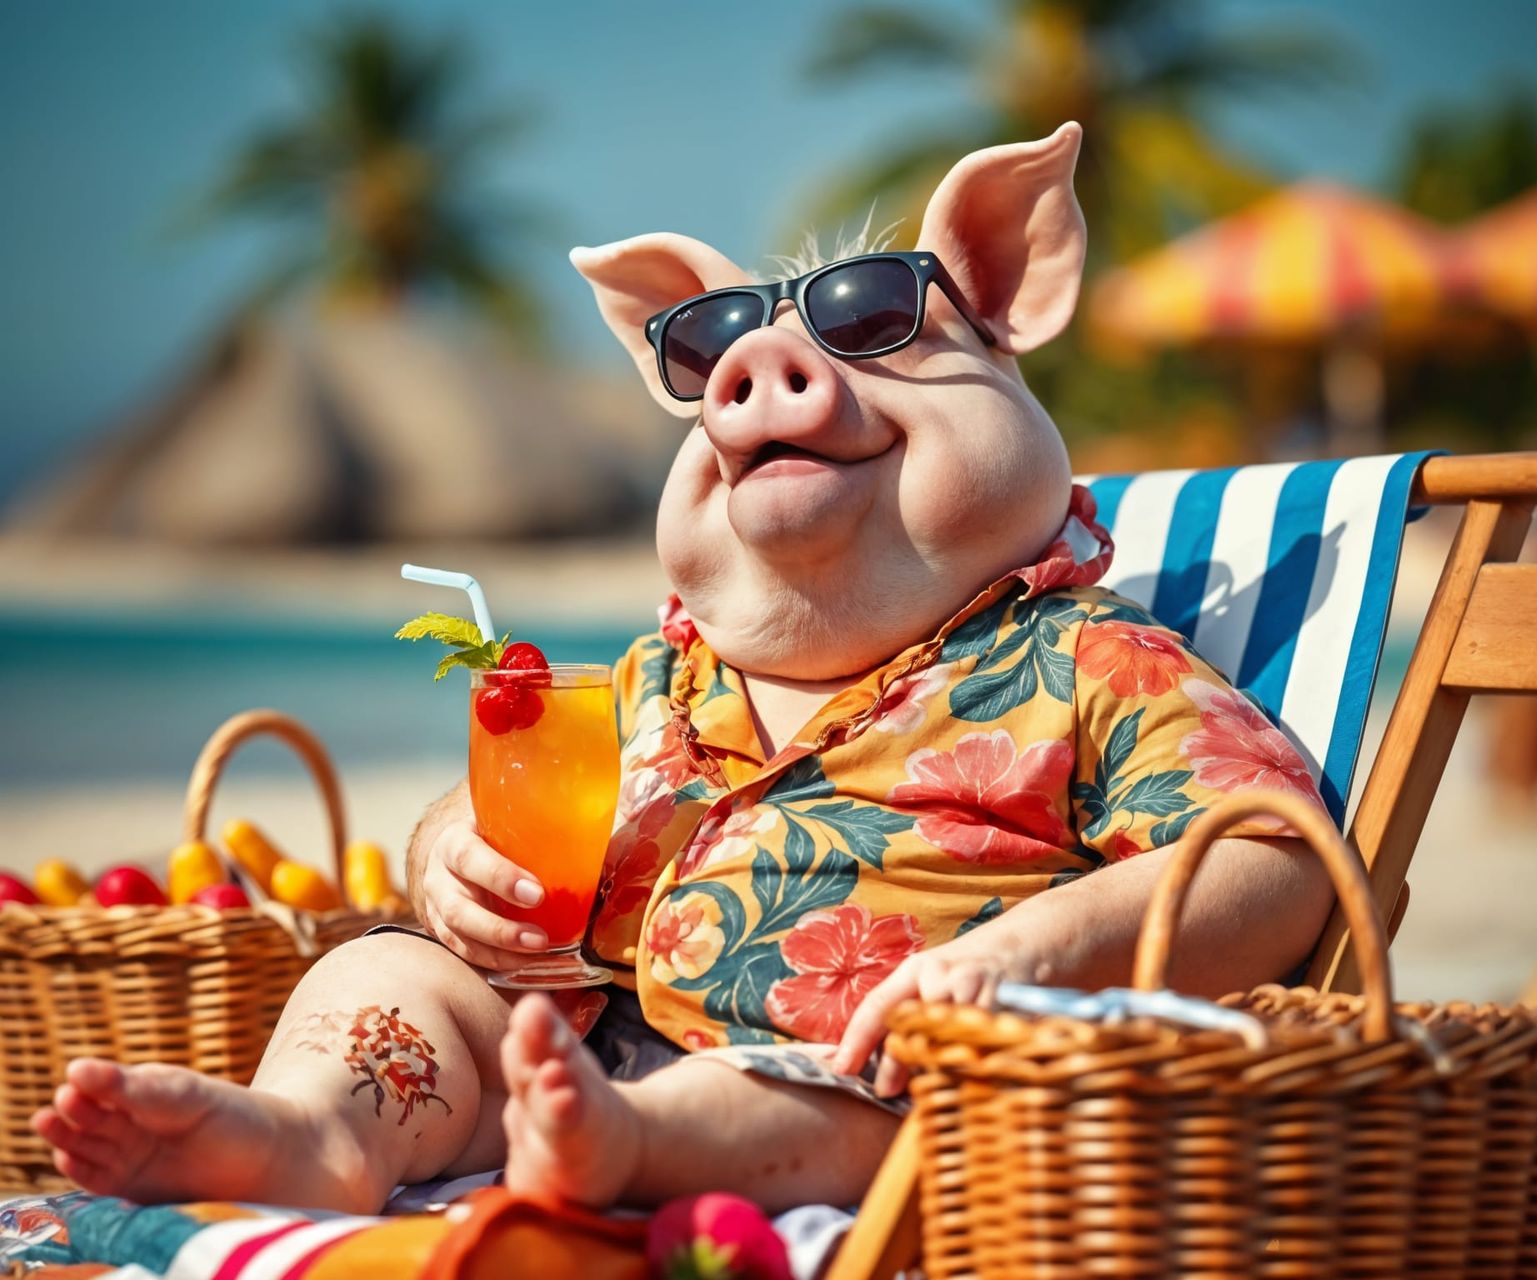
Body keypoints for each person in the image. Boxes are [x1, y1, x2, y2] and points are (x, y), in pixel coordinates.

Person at [31, 123, 1332, 1216]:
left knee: (821, 1094)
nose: (769, 381)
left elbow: (1273, 858)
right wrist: (448, 856)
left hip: (859, 1080)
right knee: (385, 974)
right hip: (572, 1030)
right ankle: (313, 1134)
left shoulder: (1085, 661)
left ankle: (626, 1151)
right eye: (717, 359)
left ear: (1006, 318)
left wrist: (1037, 954)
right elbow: (520, 830)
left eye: (877, 324)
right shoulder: (659, 680)